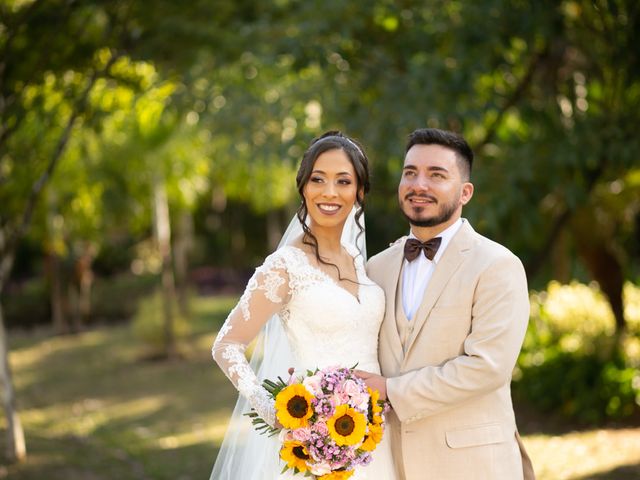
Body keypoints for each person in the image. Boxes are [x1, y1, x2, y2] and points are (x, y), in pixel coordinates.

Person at [210, 131, 398, 479]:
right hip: (318, 446)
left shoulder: (357, 259)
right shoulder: (285, 266)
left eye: (343, 181)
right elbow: (226, 345)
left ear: (359, 191)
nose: (329, 192)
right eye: (318, 179)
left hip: (375, 439)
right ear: (303, 188)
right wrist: (277, 413)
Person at [357, 128, 535, 480]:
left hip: (473, 465)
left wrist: (391, 391)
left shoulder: (497, 264)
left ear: (465, 192)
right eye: (410, 173)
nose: (418, 184)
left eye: (436, 175)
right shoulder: (375, 267)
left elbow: (487, 366)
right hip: (391, 463)